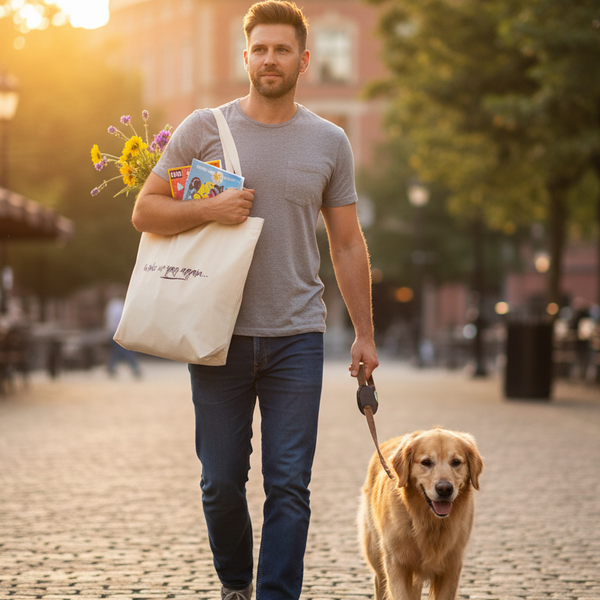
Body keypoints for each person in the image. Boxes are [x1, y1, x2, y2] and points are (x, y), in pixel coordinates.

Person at [132, 2, 378, 598]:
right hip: (217, 334)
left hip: (297, 335)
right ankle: (237, 582)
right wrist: (205, 209)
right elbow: (145, 211)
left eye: (283, 49)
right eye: (260, 49)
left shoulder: (329, 141)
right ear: (245, 56)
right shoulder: (202, 130)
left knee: (290, 483)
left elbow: (347, 244)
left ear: (304, 60)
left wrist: (366, 334)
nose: (271, 59)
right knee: (219, 483)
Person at [104, 296, 141, 378]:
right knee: (125, 352)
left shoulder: (112, 306)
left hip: (114, 331)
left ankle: (111, 368)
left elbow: (109, 321)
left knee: (117, 353)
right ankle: (135, 369)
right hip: (120, 332)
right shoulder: (119, 306)